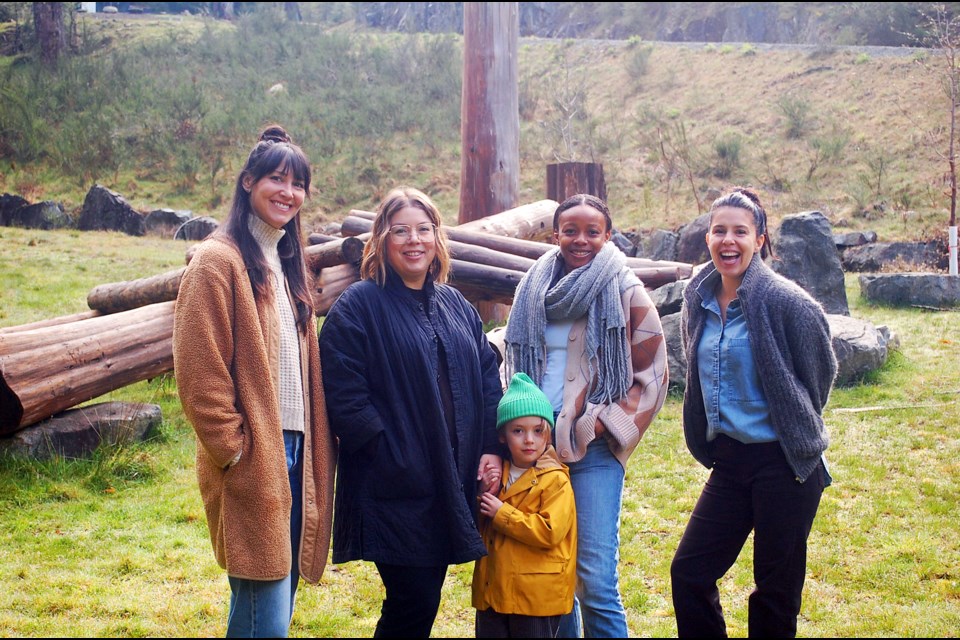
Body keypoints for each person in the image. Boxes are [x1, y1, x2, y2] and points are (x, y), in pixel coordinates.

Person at [317, 186, 504, 638]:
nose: (413, 240)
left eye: (423, 230)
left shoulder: (455, 304)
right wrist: (390, 451)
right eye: (400, 231)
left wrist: (491, 448)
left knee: (421, 602)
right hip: (393, 486)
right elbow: (343, 391)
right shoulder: (359, 306)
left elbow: (486, 377)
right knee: (412, 601)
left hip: (450, 479)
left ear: (437, 239)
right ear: (381, 239)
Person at [172, 124, 336, 637]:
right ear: (247, 182)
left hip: (296, 447)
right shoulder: (217, 261)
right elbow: (200, 372)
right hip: (254, 454)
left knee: (272, 601)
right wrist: (235, 448)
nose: (288, 193)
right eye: (275, 179)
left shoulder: (286, 260)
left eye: (298, 184)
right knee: (265, 609)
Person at [670, 186, 838, 638]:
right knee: (689, 573)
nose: (729, 240)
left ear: (760, 239)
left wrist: (793, 423)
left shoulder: (789, 302)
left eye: (740, 231)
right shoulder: (697, 299)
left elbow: (818, 374)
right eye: (719, 230)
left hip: (785, 466)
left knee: (774, 594)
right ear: (707, 238)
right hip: (730, 463)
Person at [503, 193, 669, 638]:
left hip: (592, 447)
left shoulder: (625, 288)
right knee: (556, 572)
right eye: (570, 230)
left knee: (594, 580)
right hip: (535, 445)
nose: (581, 240)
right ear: (554, 234)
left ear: (608, 236)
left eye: (592, 231)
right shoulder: (532, 287)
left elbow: (652, 374)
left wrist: (599, 425)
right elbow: (513, 361)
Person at [472, 371, 578, 639]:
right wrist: (483, 494)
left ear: (547, 435)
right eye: (518, 430)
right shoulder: (499, 475)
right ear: (502, 436)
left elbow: (550, 531)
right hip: (494, 592)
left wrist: (502, 513)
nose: (529, 439)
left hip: (536, 598)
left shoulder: (556, 480)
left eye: (537, 430)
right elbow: (477, 529)